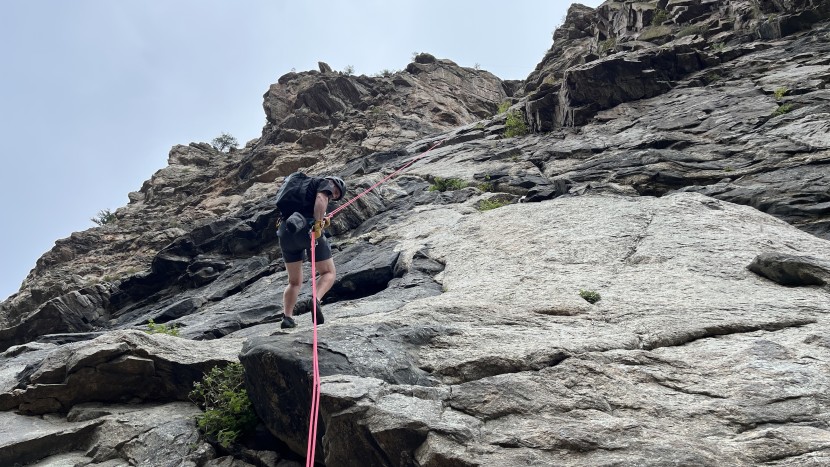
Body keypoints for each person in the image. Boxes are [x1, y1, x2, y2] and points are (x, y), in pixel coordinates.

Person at [277, 175, 346, 329]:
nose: (334, 196)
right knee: (328, 273)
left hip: (286, 232)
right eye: (336, 192)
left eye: (336, 196)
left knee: (294, 281)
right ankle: (315, 300)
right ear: (334, 183)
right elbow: (321, 199)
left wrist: (321, 221)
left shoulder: (301, 188)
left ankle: (287, 318)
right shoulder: (324, 183)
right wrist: (317, 224)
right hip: (306, 231)